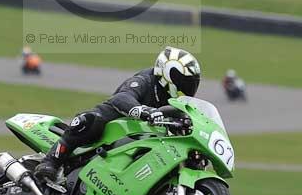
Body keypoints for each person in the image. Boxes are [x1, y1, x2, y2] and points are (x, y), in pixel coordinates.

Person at [34, 47, 202, 183]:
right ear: (169, 73)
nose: (188, 88)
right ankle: (51, 161)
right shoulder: (145, 80)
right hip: (111, 128)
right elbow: (122, 97)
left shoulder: (176, 103)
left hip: (137, 146)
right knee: (91, 121)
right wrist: (143, 110)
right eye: (185, 82)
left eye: (191, 84)